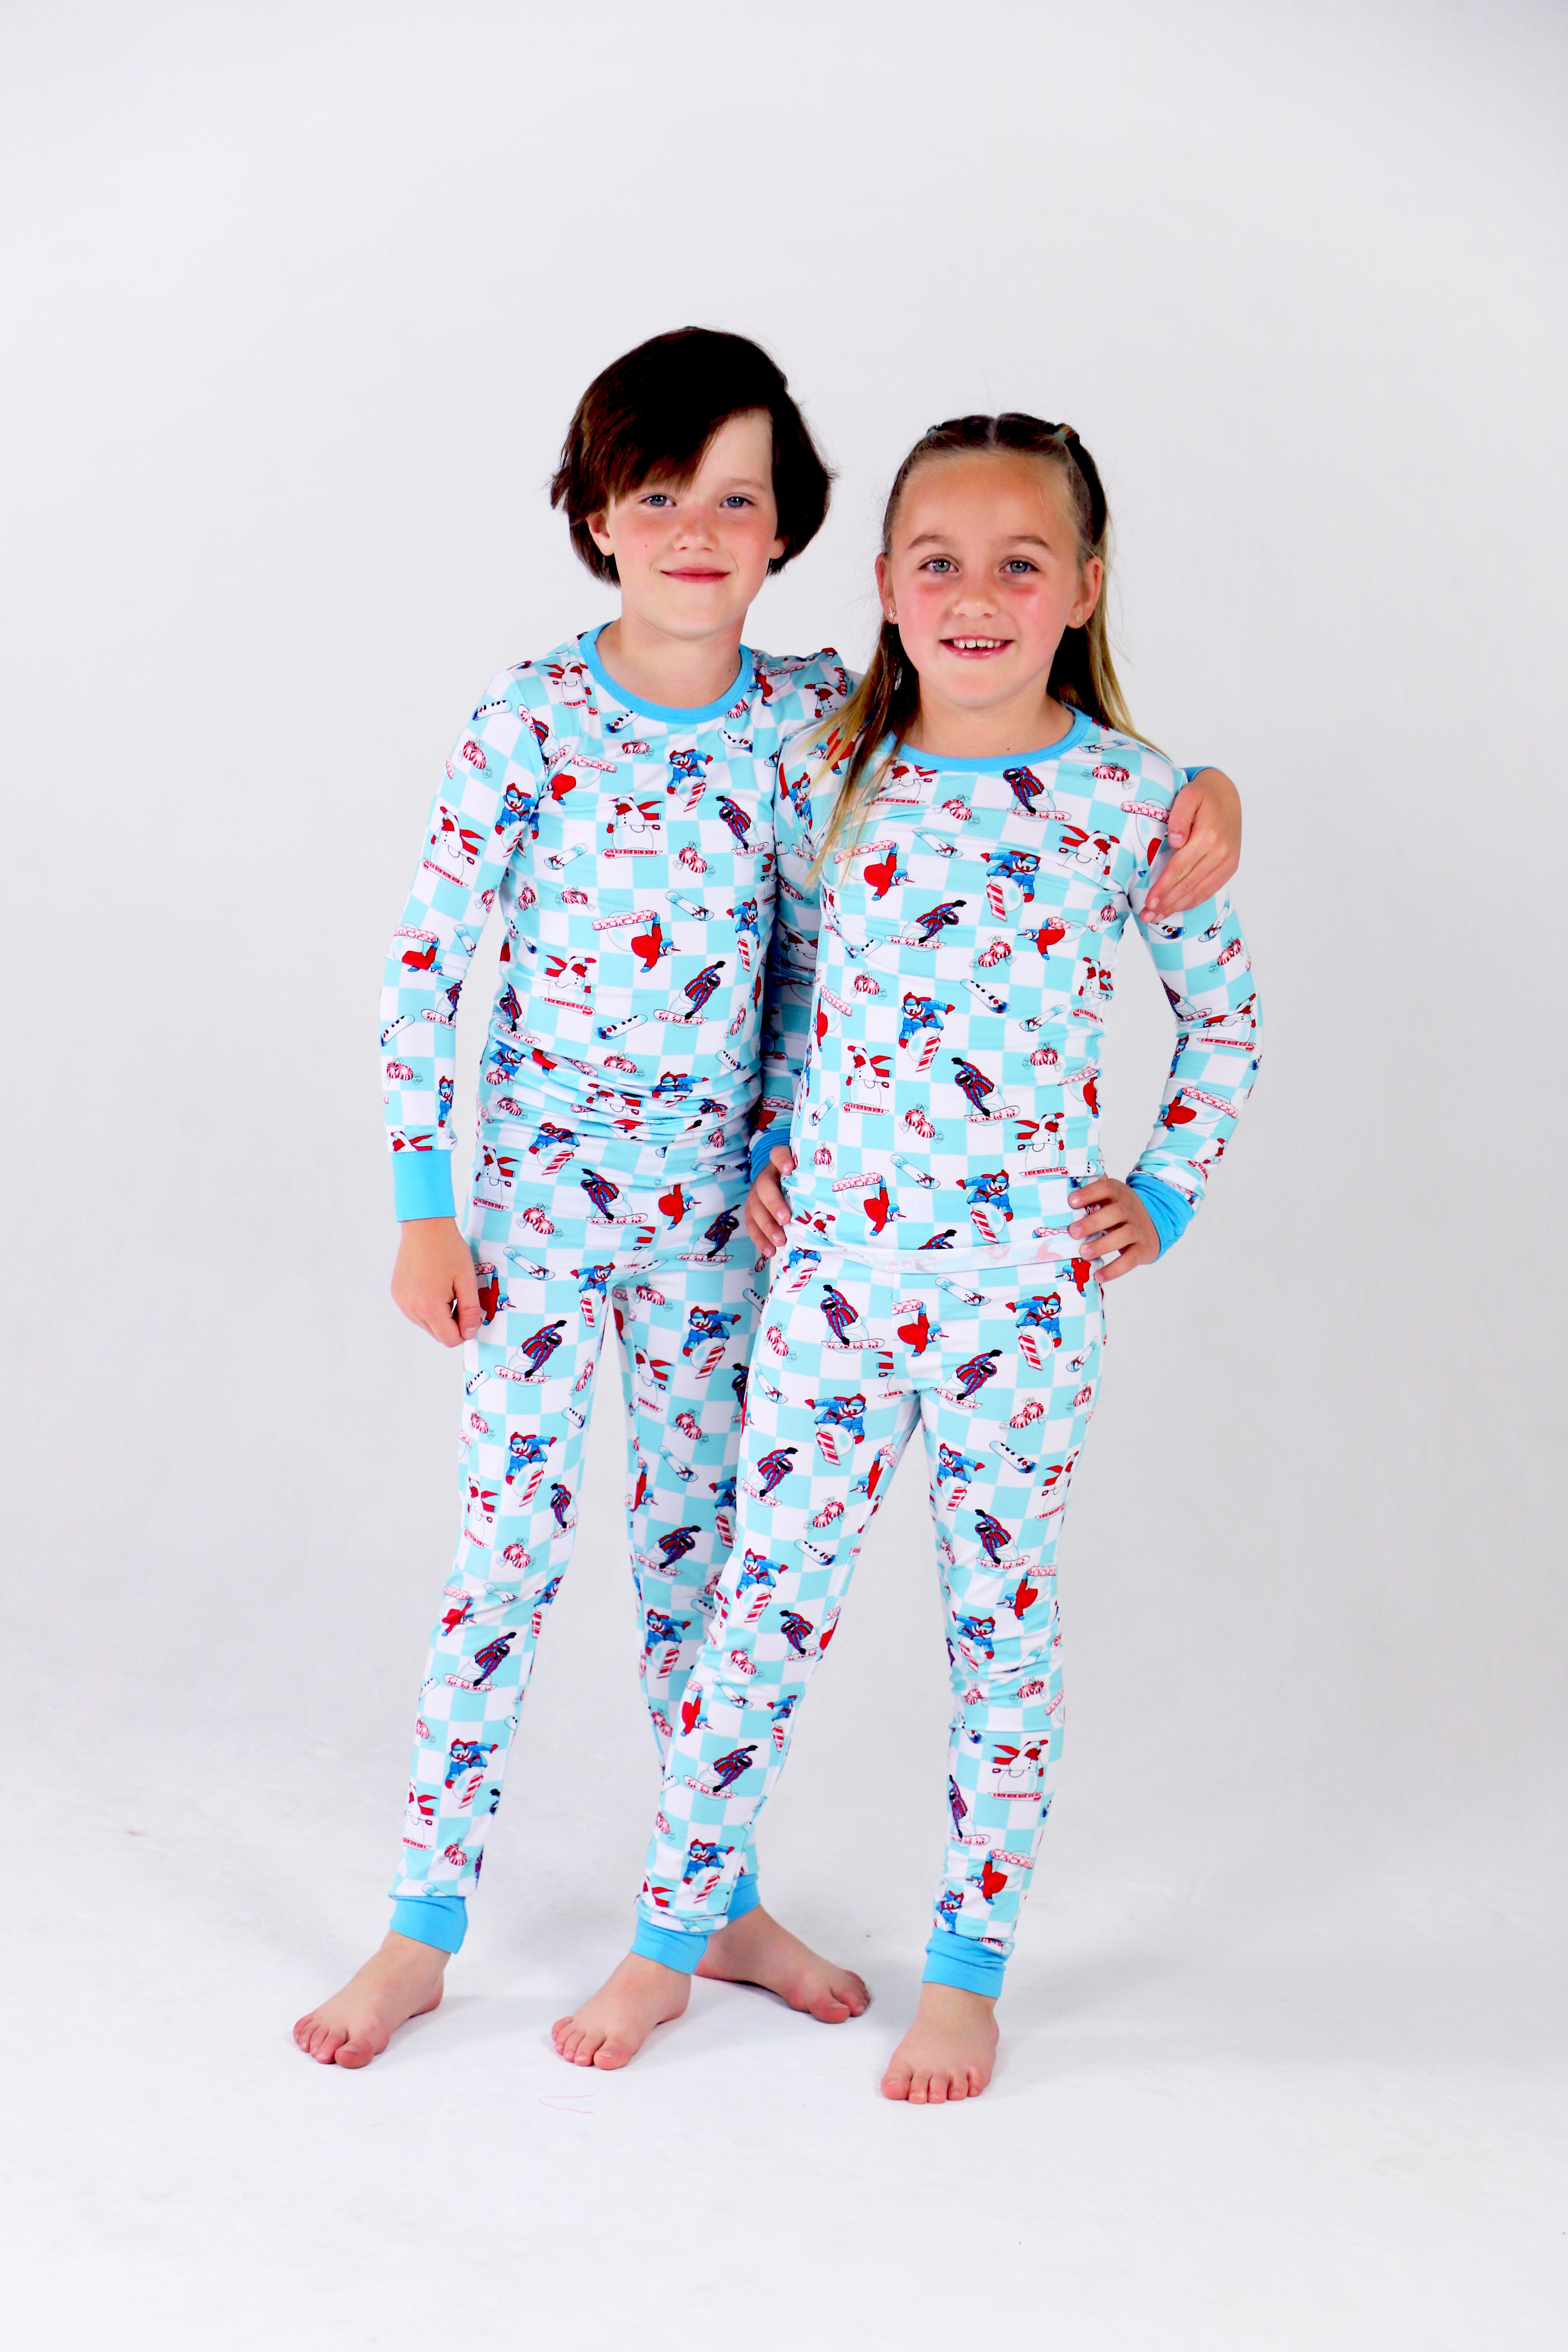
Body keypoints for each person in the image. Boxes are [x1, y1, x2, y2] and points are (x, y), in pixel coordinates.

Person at [294, 341, 1244, 2069]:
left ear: (794, 536)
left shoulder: (815, 725)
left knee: (706, 1577)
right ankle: (422, 1925)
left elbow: (839, 953)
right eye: (657, 495)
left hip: (736, 1242)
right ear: (596, 514)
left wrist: (1204, 798)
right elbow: (426, 960)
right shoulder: (537, 721)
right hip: (531, 1225)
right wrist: (425, 1201)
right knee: (503, 1560)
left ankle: (711, 1906)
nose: (695, 530)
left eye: (736, 500)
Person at [554, 412, 1259, 2099]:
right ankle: (670, 1934)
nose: (975, 597)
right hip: (834, 1296)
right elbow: (794, 987)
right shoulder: (833, 774)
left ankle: (968, 1970)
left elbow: (1223, 1022)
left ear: (1084, 588)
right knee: (760, 1614)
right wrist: (779, 1151)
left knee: (1000, 1633)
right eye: (937, 563)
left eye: (1021, 563)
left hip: (1021, 1306)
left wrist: (1162, 1193)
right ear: (881, 585)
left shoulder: (1134, 802)